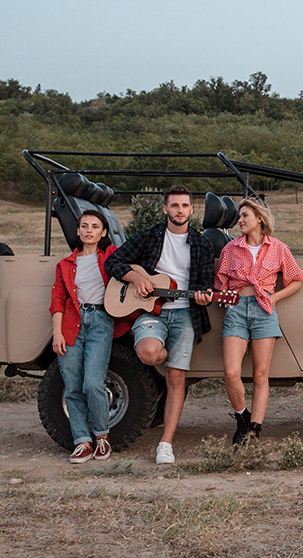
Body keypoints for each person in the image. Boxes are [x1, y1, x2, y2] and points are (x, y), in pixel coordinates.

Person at [105, 185, 214, 464]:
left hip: (184, 314)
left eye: (185, 206)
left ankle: (166, 443)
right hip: (150, 312)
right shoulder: (150, 235)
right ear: (165, 208)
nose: (180, 211)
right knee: (149, 353)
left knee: (176, 378)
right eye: (174, 205)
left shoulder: (201, 244)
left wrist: (204, 297)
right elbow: (114, 261)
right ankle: (169, 358)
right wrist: (136, 279)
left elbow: (205, 284)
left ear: (191, 210)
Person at [214, 198, 303, 445]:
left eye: (245, 216)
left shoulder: (278, 248)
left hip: (264, 310)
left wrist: (274, 297)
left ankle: (254, 430)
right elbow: (219, 285)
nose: (240, 221)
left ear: (259, 219)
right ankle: (242, 418)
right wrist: (217, 297)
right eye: (240, 216)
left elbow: (297, 280)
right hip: (235, 311)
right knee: (231, 372)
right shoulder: (230, 250)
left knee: (260, 375)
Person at [49, 210, 132, 464]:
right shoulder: (65, 264)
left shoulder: (110, 256)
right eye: (84, 226)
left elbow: (128, 272)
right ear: (77, 231)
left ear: (103, 232)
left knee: (93, 384)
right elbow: (58, 300)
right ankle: (82, 442)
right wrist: (57, 333)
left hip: (100, 322)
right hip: (71, 326)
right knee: (72, 387)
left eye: (95, 227)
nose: (88, 230)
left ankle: (102, 437)